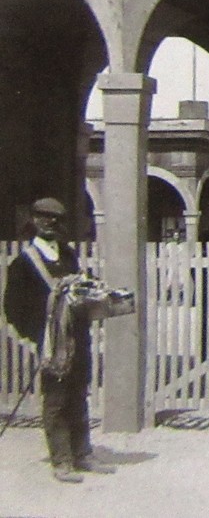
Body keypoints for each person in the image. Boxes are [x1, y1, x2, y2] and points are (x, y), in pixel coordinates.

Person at [3, 197, 115, 483]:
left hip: (78, 336)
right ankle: (61, 460)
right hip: (51, 342)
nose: (51, 224)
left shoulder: (68, 256)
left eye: (56, 219)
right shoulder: (23, 263)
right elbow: (13, 307)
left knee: (79, 393)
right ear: (34, 221)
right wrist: (39, 336)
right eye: (44, 218)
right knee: (55, 399)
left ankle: (83, 454)